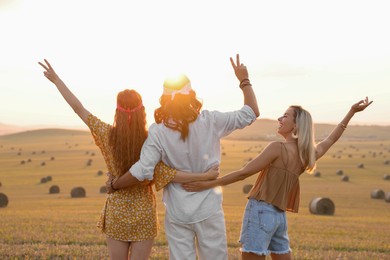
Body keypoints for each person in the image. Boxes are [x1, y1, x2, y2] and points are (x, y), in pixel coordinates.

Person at [38, 59, 219, 260]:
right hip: (144, 215)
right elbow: (172, 174)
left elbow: (78, 109)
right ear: (142, 111)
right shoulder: (152, 140)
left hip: (117, 211)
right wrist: (205, 175)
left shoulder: (108, 136)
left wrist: (57, 81)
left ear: (117, 112)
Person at [107, 54, 260, 260]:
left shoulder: (158, 131)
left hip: (177, 211)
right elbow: (250, 113)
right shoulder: (211, 121)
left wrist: (116, 184)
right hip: (209, 208)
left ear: (164, 98)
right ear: (191, 95)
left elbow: (143, 170)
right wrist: (244, 79)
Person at [182, 97, 373, 259]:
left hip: (260, 211)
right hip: (279, 216)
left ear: (295, 125)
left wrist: (208, 184)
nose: (279, 118)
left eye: (285, 116)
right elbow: (331, 139)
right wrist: (351, 112)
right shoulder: (307, 154)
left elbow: (243, 173)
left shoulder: (277, 148)